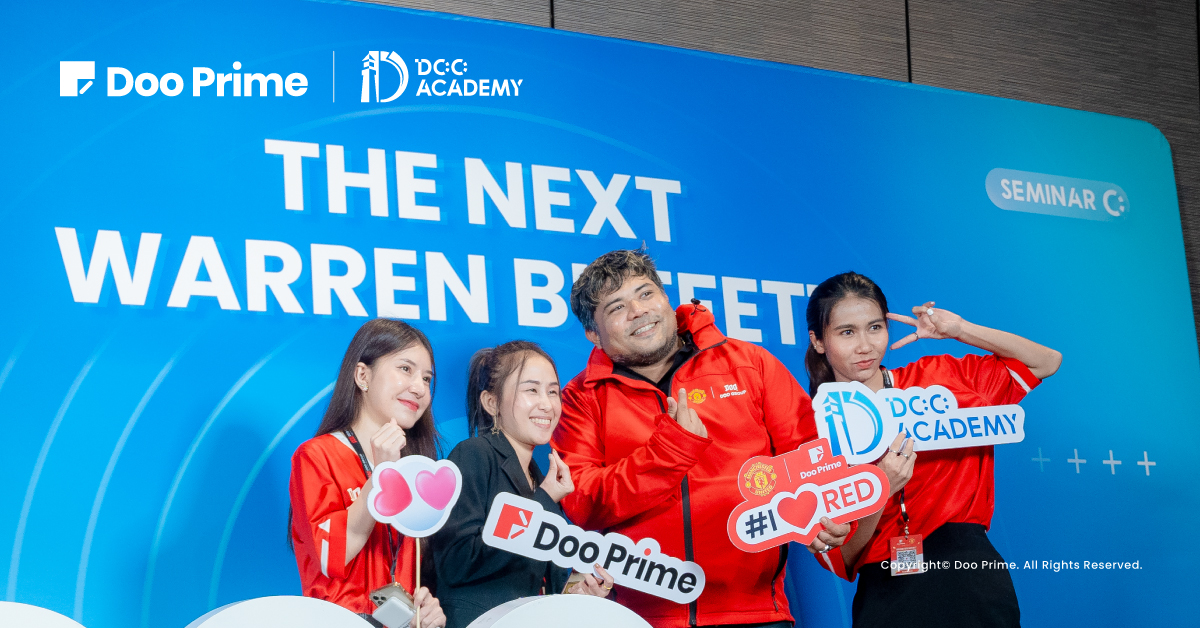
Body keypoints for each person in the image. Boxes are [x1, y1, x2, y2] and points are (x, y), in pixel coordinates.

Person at [550, 248, 852, 628]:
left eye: (645, 294)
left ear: (665, 298)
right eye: (616, 307)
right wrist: (670, 451)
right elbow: (581, 502)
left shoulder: (749, 364)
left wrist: (828, 513)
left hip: (756, 613)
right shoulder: (581, 398)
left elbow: (812, 457)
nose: (638, 311)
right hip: (639, 618)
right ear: (593, 334)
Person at [804, 272, 1061, 627]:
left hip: (970, 579)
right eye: (847, 332)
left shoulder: (942, 381)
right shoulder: (813, 433)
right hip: (888, 593)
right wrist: (880, 487)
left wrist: (960, 330)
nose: (865, 346)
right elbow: (844, 558)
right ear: (818, 341)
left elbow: (1046, 361)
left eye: (875, 328)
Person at [433, 341, 614, 628]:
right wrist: (543, 501)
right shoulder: (474, 454)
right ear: (492, 403)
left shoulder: (539, 479)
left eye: (553, 392)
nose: (547, 404)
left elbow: (542, 584)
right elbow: (456, 562)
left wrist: (577, 592)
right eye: (531, 390)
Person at [289, 319, 448, 628]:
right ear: (363, 375)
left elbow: (401, 578)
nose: (419, 387)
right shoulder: (317, 455)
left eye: (427, 378)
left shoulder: (415, 469)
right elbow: (332, 558)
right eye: (405, 369)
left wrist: (423, 611)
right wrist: (381, 476)